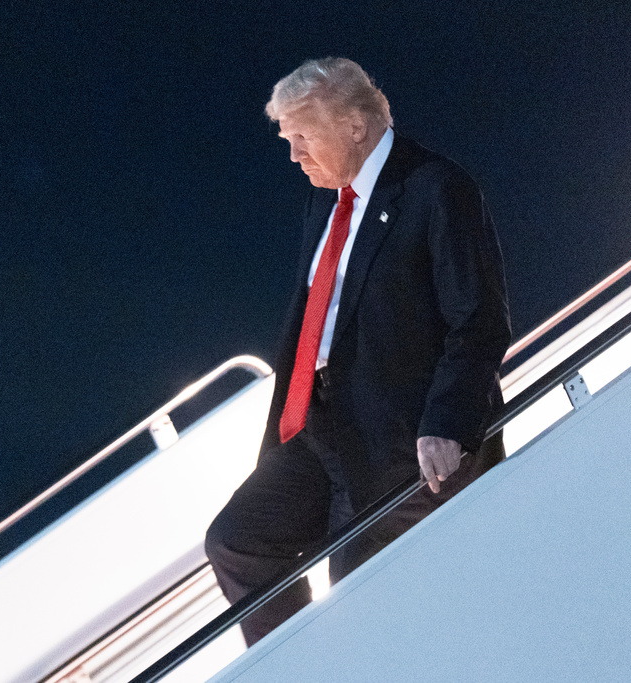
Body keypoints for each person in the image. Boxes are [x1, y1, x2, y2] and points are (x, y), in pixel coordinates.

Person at [204, 57, 512, 646]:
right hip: (324, 431)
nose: (294, 156)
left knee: (360, 601)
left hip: (401, 437)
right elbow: (309, 329)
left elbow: (479, 319)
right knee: (238, 539)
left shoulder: (436, 187)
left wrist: (447, 424)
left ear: (353, 125)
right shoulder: (325, 203)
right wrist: (279, 444)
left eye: (302, 136)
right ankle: (309, 663)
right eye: (287, 141)